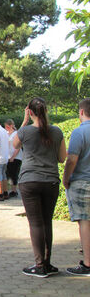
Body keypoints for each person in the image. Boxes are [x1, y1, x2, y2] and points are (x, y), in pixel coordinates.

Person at [13, 97, 66, 278]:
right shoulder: (57, 132)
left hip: (29, 181)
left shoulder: (25, 131)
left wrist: (25, 121)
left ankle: (39, 265)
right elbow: (62, 158)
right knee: (46, 222)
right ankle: (48, 263)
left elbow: (14, 145)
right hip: (50, 181)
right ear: (46, 110)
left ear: (30, 111)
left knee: (35, 223)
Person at [62, 98, 90, 276]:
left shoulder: (80, 132)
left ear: (81, 112)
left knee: (85, 221)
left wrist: (65, 178)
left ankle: (87, 263)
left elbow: (72, 159)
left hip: (82, 181)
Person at [5, 119, 22, 198]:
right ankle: (11, 190)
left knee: (14, 173)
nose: (6, 128)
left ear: (11, 125)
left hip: (16, 156)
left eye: (7, 126)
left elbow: (18, 146)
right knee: (9, 173)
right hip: (7, 156)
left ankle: (14, 190)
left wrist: (13, 157)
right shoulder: (6, 133)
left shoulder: (16, 133)